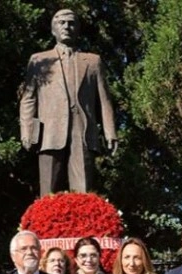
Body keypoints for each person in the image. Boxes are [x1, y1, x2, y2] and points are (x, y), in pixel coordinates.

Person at [20, 9, 118, 195]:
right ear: (53, 29)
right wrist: (26, 131)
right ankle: (44, 224)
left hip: (82, 130)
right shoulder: (39, 60)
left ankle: (84, 225)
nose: (66, 26)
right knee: (47, 192)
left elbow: (104, 100)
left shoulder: (93, 61)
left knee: (84, 192)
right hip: (49, 130)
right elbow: (28, 98)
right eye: (61, 22)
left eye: (71, 23)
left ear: (78, 29)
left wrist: (110, 131)